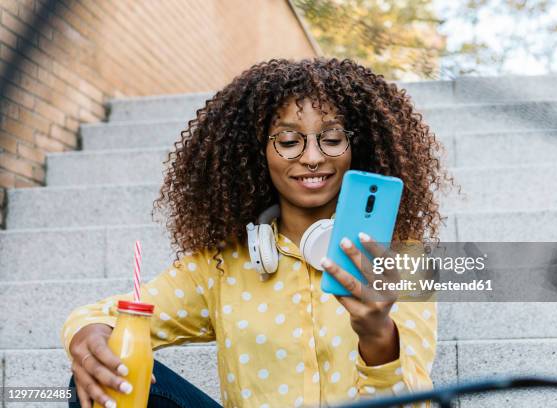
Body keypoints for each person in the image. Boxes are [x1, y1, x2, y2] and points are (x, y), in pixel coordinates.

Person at [62, 57, 455, 408]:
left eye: (333, 139)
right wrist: (89, 335)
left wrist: (378, 339)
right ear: (256, 152)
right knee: (104, 375)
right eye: (288, 141)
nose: (313, 156)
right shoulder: (221, 267)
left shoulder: (403, 261)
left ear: (359, 147)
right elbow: (105, 314)